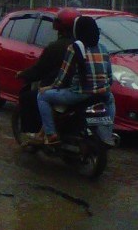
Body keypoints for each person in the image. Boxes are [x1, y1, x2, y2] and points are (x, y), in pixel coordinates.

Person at [36, 15, 117, 146]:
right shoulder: (103, 48)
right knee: (111, 99)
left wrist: (49, 87)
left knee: (42, 97)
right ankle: (106, 134)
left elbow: (63, 76)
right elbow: (109, 76)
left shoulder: (74, 48)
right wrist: (104, 87)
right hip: (102, 93)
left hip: (79, 94)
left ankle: (50, 134)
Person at [15, 8, 79, 138]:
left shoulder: (56, 47)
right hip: (82, 90)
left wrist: (22, 74)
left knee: (28, 97)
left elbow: (39, 70)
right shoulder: (84, 46)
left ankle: (35, 133)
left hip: (62, 90)